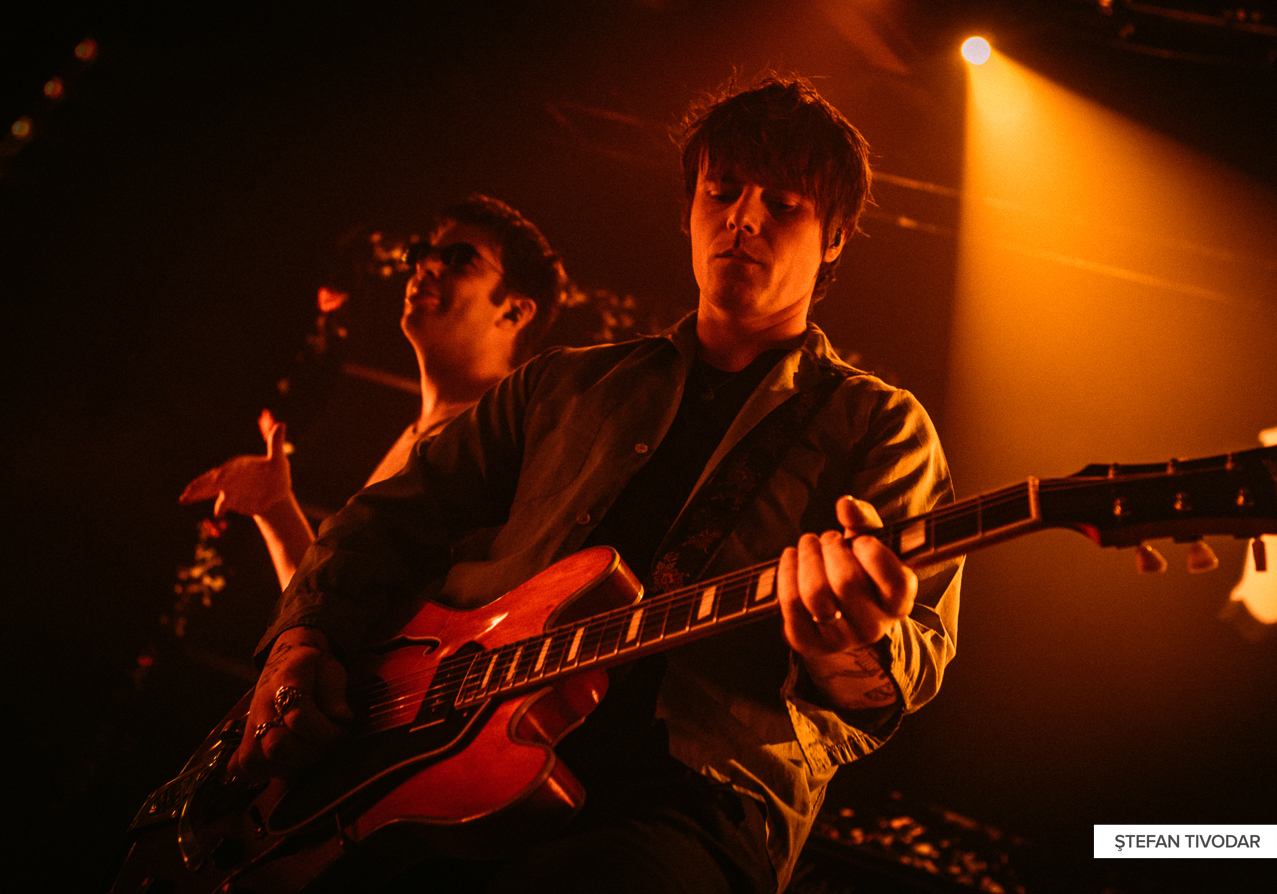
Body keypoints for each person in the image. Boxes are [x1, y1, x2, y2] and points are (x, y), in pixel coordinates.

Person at [235, 77, 963, 893]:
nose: (743, 219)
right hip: (433, 763)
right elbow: (384, 520)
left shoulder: (880, 426)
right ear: (689, 208)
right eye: (721, 192)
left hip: (683, 806)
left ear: (834, 239)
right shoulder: (562, 386)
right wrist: (301, 645)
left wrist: (845, 641)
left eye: (785, 204)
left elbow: (899, 679)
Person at [178, 195, 566, 589]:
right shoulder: (426, 434)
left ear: (514, 312)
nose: (425, 264)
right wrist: (275, 507)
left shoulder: (505, 446)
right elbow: (338, 613)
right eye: (421, 252)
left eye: (459, 258)